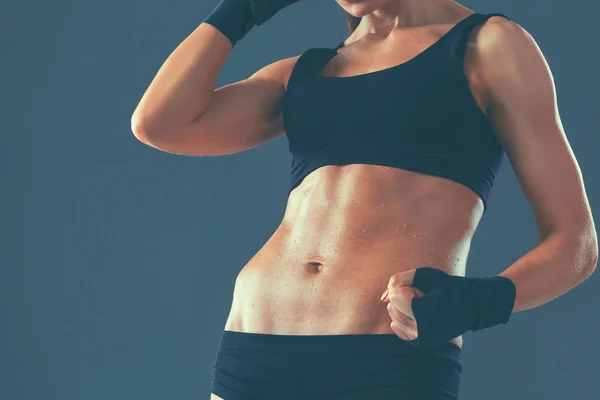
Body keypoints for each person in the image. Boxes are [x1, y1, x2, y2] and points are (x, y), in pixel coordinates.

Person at [131, 0, 598, 399]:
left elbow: (576, 242)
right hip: (253, 350)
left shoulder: (488, 46)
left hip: (384, 357)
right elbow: (160, 123)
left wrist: (476, 302)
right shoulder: (305, 71)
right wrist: (242, 10)